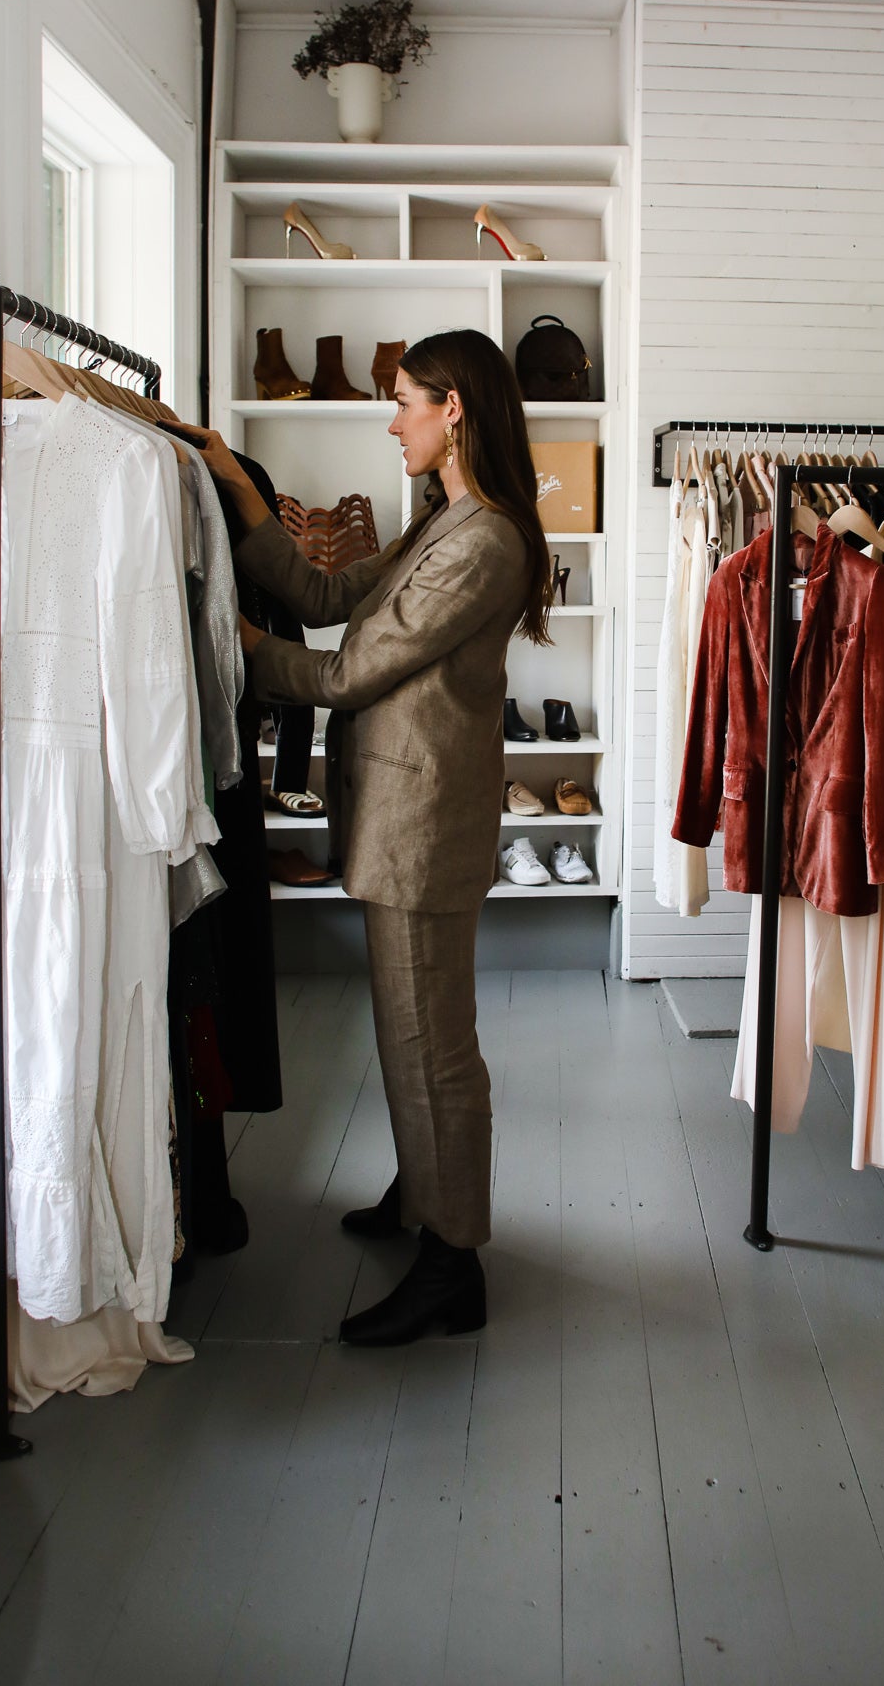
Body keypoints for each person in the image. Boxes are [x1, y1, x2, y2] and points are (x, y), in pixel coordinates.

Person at [184, 329, 551, 1344]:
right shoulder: (444, 520)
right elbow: (326, 597)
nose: (392, 420)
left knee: (434, 1046)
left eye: (404, 400)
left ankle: (453, 1261)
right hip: (401, 816)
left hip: (424, 826)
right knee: (409, 1028)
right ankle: (419, 1194)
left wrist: (233, 643)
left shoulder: (484, 541)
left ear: (454, 410)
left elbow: (349, 672)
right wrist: (241, 492)